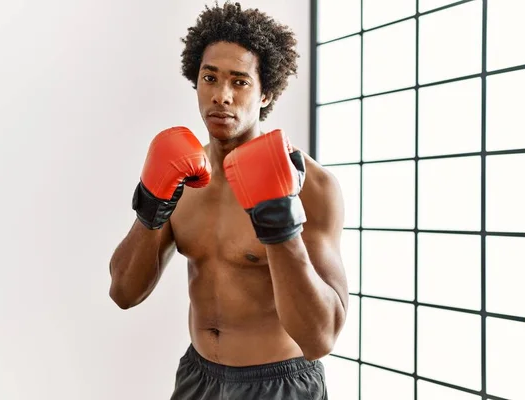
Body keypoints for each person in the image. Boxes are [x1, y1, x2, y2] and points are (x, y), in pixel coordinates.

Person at [108, 2, 349, 399]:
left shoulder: (313, 186)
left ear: (266, 92)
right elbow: (123, 293)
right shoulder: (181, 174)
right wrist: (151, 206)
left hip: (280, 384)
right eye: (210, 78)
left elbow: (321, 338)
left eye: (240, 82)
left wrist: (279, 220)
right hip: (198, 377)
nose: (221, 96)